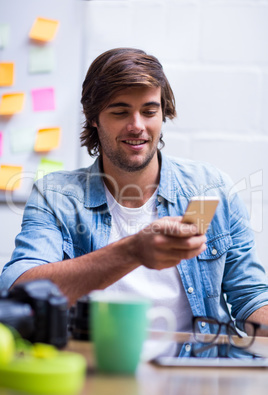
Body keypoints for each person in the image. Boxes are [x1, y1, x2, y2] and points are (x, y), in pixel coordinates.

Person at [1, 48, 268, 352]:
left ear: (163, 114)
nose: (137, 125)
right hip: (95, 374)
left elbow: (251, 300)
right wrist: (132, 251)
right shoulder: (56, 197)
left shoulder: (210, 189)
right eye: (120, 111)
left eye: (149, 111)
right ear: (93, 120)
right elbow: (20, 290)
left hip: (195, 375)